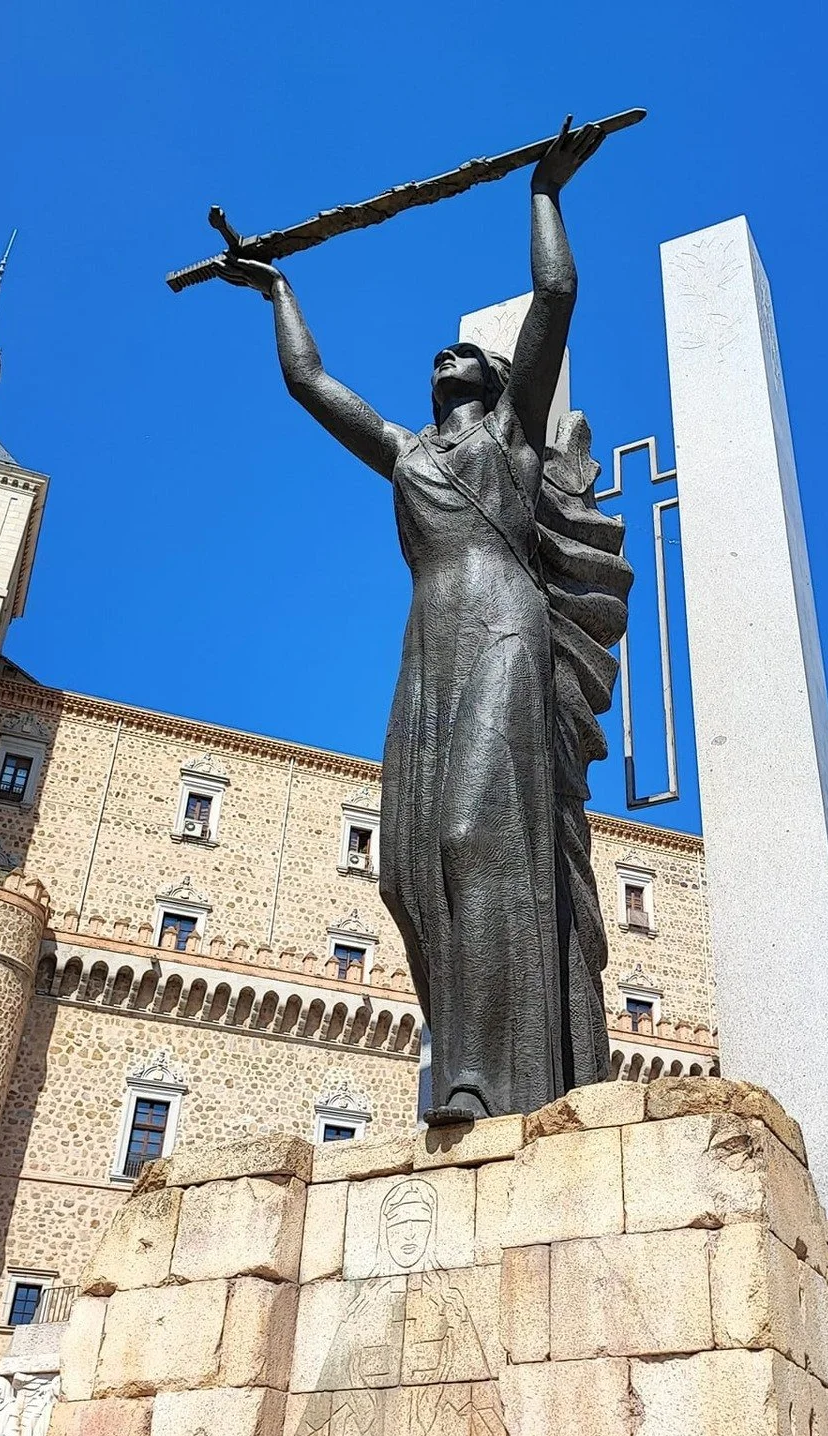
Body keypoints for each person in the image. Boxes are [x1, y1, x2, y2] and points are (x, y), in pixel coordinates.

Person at [217, 119, 631, 1121]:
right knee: (412, 868)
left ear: (489, 386)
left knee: (467, 835)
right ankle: (470, 1068)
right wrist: (277, 288)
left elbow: (557, 298)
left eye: (465, 356)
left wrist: (543, 194)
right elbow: (309, 383)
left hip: (505, 623)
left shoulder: (511, 437)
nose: (447, 356)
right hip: (429, 645)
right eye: (439, 355)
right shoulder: (407, 455)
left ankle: (487, 1080)